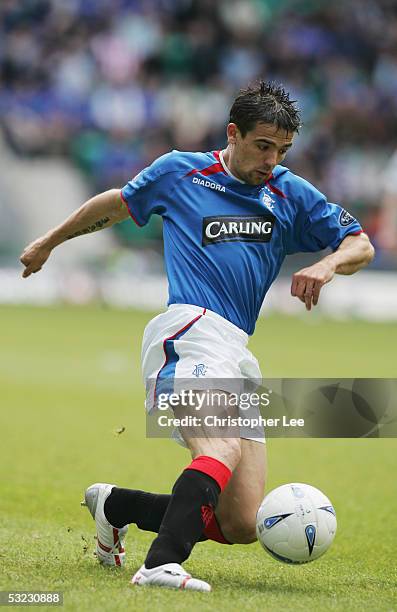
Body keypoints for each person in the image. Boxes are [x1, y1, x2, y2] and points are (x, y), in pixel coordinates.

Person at [20, 81, 374, 592]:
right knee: (220, 447)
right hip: (189, 329)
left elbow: (359, 242)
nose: (271, 159)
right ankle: (161, 563)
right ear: (234, 133)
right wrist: (49, 242)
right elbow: (117, 204)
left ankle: (114, 504)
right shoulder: (180, 171)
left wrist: (328, 264)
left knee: (243, 521)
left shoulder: (290, 193)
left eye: (282, 150)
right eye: (262, 146)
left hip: (235, 348)